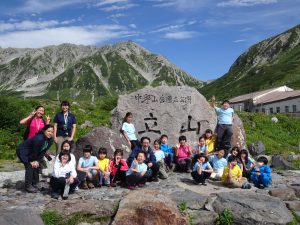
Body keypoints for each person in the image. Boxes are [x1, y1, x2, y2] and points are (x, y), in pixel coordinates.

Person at [16, 124, 54, 193]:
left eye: (52, 132)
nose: (50, 133)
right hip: (23, 151)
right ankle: (28, 186)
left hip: (33, 153)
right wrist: (33, 161)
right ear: (44, 131)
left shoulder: (50, 140)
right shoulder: (39, 139)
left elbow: (43, 151)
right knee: (30, 166)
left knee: (36, 166)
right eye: (48, 131)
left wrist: (37, 160)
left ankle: (35, 183)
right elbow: (34, 151)